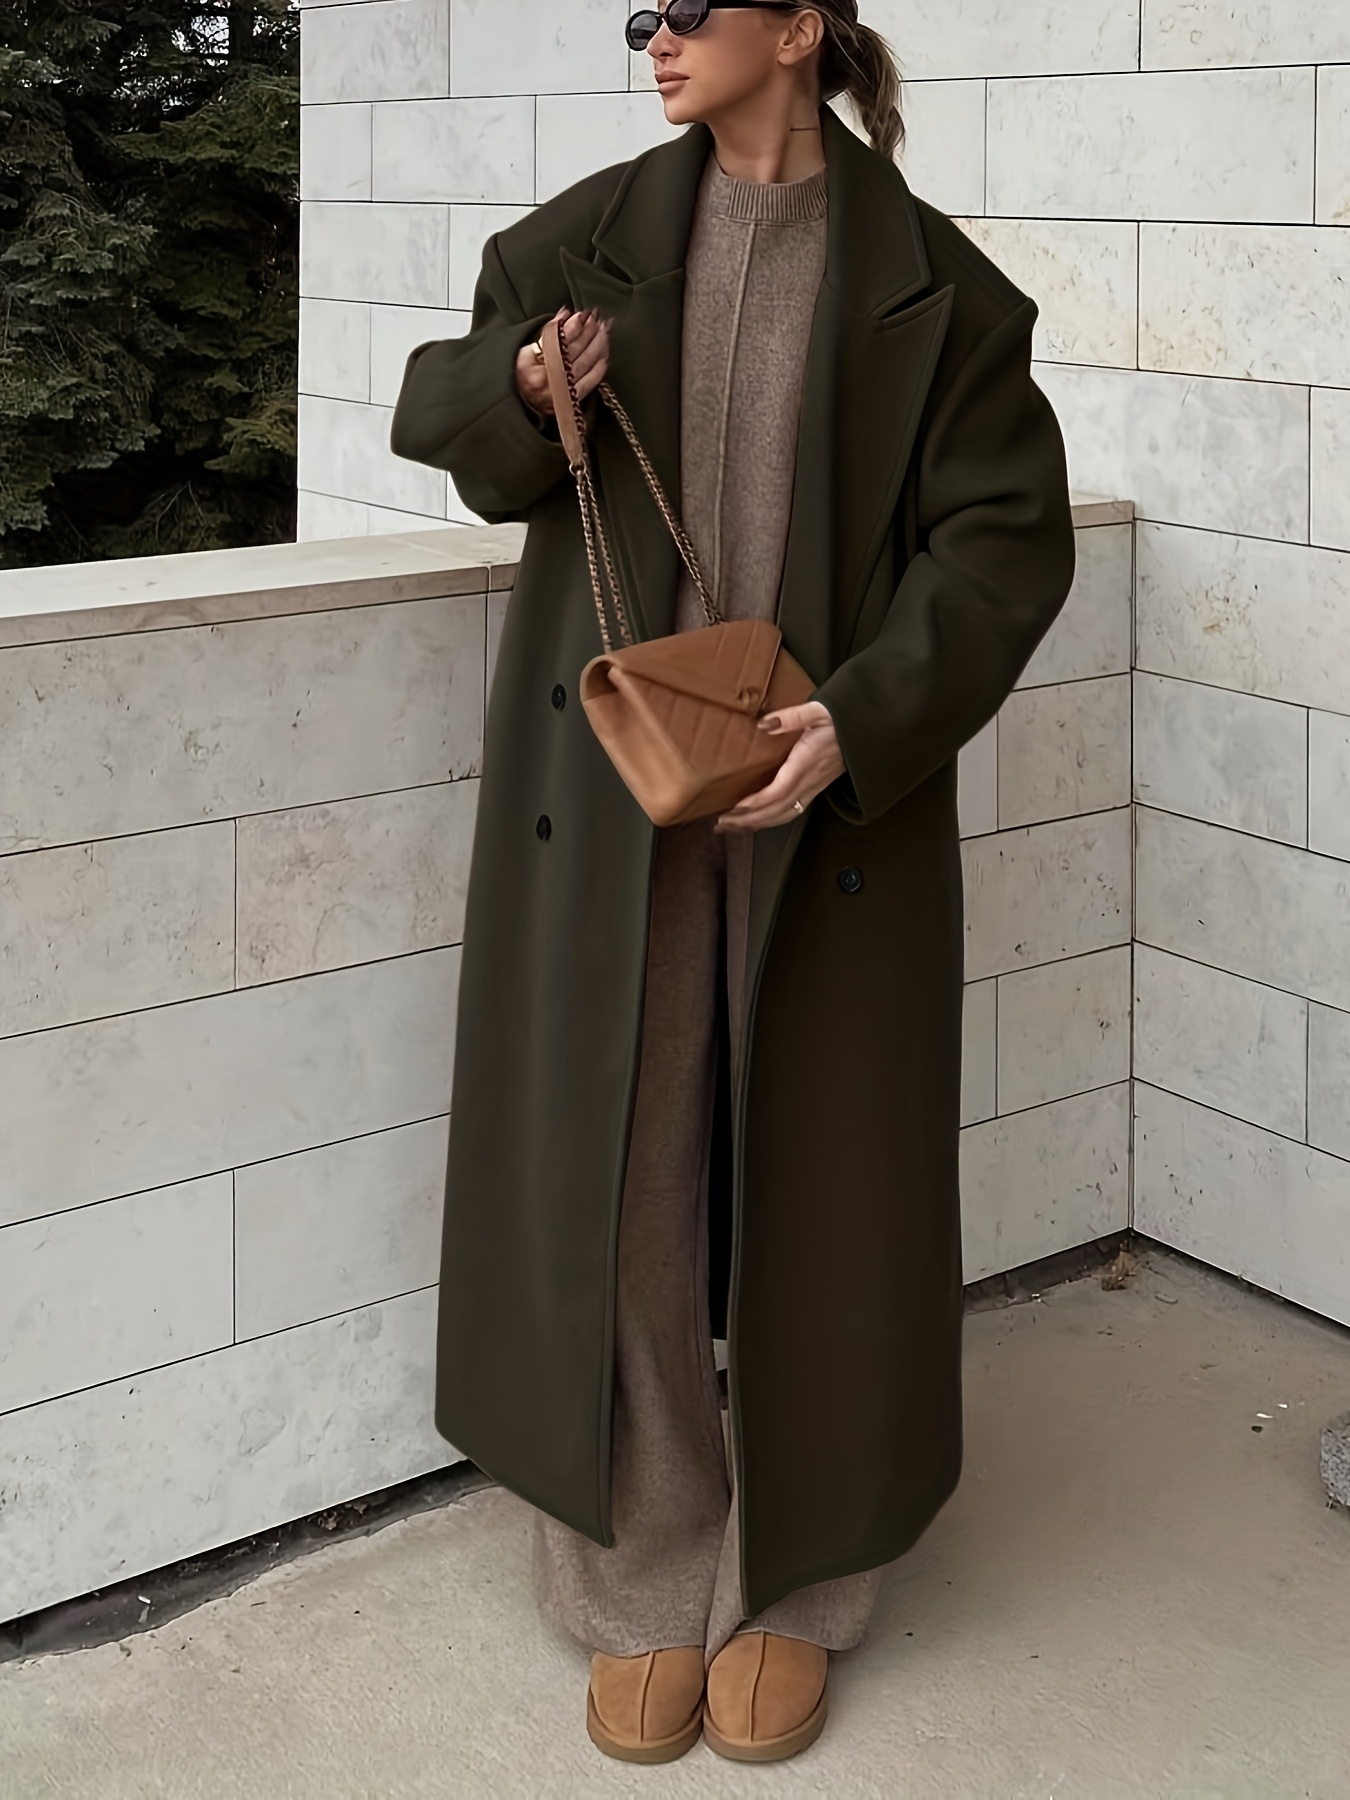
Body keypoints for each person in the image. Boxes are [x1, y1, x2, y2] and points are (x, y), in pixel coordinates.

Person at [390, 0, 1076, 1767]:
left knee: (822, 1190)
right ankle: (636, 1566)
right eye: (643, 16)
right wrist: (524, 387)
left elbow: (1003, 544)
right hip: (608, 800)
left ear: (796, 28)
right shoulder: (577, 244)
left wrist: (861, 719)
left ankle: (797, 1583)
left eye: (689, 10)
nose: (655, 36)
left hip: (819, 811)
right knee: (618, 1176)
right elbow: (440, 418)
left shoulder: (941, 292)